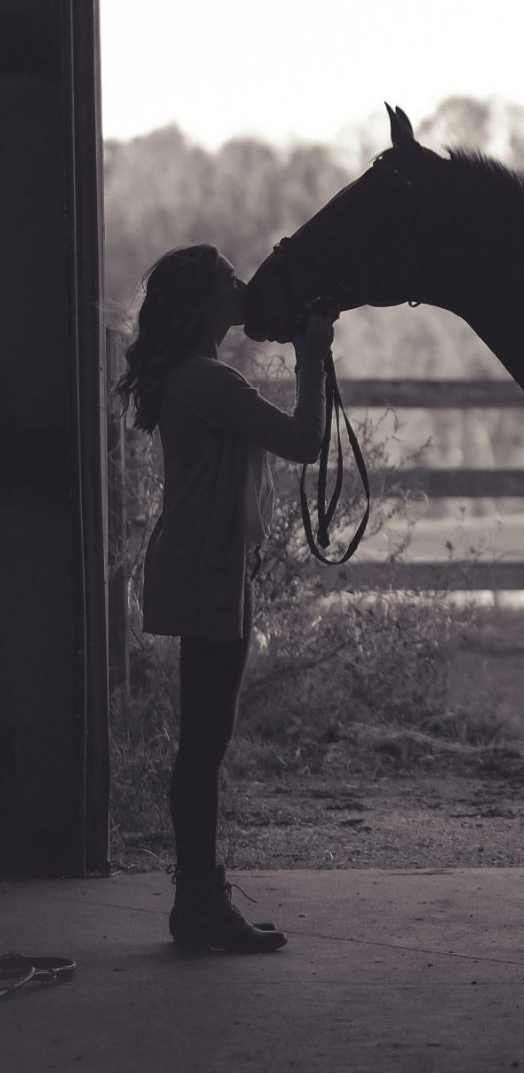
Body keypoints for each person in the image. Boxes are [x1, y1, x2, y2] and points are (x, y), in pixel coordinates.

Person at [115, 243, 333, 953]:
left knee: (202, 744)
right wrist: (312, 354)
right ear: (208, 301)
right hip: (207, 569)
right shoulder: (208, 381)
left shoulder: (192, 376)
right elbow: (305, 440)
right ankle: (200, 903)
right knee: (204, 745)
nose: (244, 286)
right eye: (231, 279)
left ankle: (198, 899)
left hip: (203, 564)